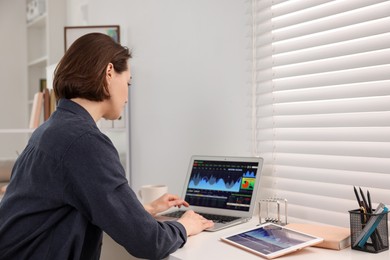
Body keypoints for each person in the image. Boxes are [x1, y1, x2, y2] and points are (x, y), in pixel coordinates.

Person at [0, 33, 213, 260]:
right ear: (109, 73)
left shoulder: (52, 129)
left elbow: (71, 205)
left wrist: (141, 211)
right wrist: (185, 226)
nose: (127, 97)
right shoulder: (84, 141)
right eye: (128, 82)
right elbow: (149, 242)